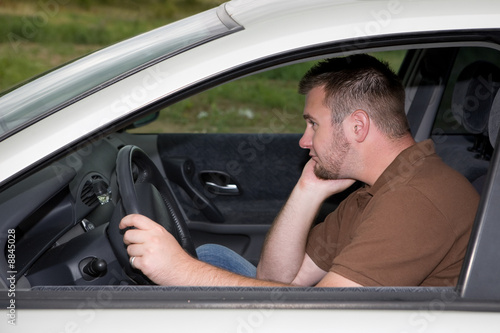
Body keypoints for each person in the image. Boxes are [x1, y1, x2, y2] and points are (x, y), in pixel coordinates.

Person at [119, 54, 479, 287]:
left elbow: (323, 314)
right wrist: (308, 189)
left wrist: (180, 271)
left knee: (196, 268)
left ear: (357, 127)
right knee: (212, 256)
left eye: (313, 124)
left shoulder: (414, 201)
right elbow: (277, 278)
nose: (304, 141)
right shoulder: (375, 191)